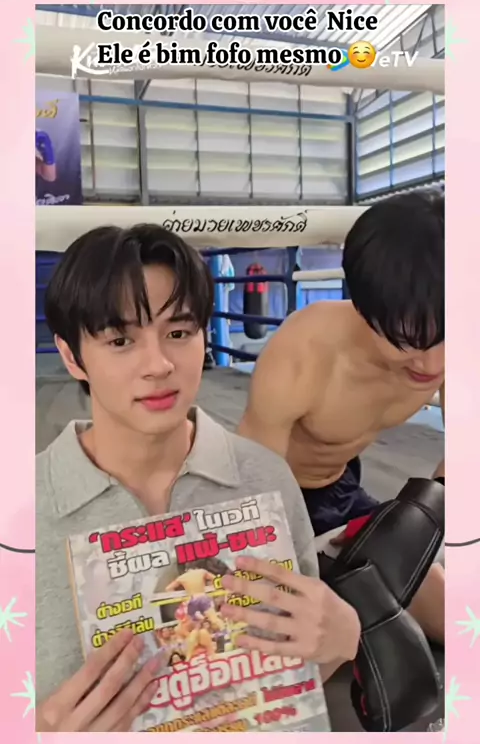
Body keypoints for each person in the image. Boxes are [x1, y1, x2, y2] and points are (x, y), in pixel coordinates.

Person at [36, 223, 360, 733]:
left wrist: (343, 641)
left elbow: (287, 679)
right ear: (73, 356)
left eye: (179, 333)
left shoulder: (265, 477)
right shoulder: (21, 509)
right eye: (120, 340)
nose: (159, 364)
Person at [238, 189, 445, 645]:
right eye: (408, 339)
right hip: (273, 498)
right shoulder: (306, 352)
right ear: (367, 308)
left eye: (447, 338)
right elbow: (252, 482)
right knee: (281, 639)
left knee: (454, 616)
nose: (432, 363)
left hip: (344, 493)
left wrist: (414, 527)